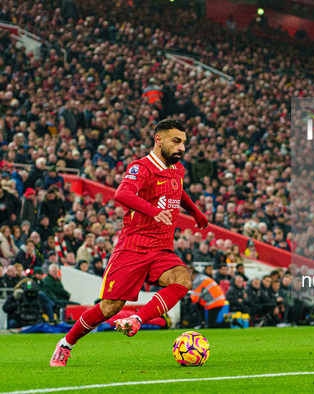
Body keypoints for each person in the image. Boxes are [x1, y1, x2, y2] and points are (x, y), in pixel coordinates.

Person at [50, 119, 209, 367]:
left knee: (183, 280)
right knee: (109, 307)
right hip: (133, 246)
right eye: (176, 141)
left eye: (184, 143)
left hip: (161, 248)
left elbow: (178, 191)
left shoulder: (177, 168)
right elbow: (122, 194)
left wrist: (195, 212)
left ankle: (137, 319)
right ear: (159, 140)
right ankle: (65, 344)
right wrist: (153, 211)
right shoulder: (141, 167)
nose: (182, 148)